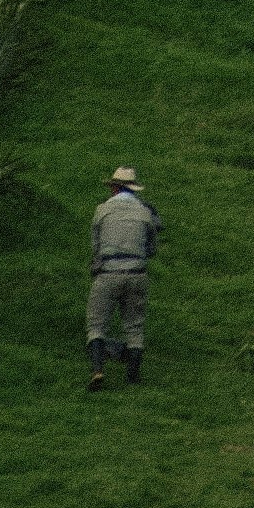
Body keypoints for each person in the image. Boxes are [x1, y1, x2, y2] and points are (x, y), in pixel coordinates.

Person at [86, 163, 161, 387]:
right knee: (134, 326)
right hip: (137, 273)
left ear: (114, 188)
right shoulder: (145, 212)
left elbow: (96, 246)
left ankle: (98, 370)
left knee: (96, 325)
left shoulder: (102, 210)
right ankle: (133, 376)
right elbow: (152, 248)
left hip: (108, 273)